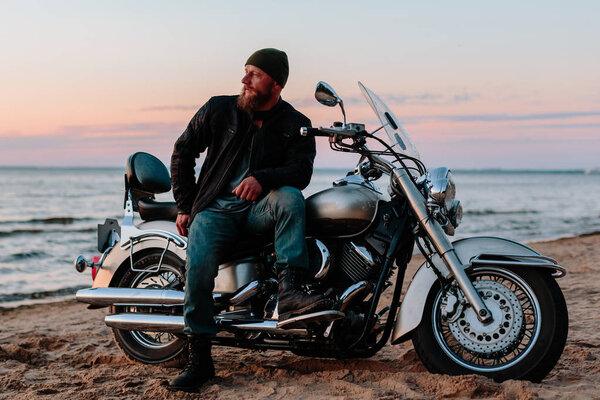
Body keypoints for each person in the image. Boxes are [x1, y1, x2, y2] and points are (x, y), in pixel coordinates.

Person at [168, 48, 331, 392]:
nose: (244, 80)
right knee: (197, 268)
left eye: (254, 74)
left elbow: (300, 172)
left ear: (275, 84)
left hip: (258, 210)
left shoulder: (295, 123)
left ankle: (290, 291)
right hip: (214, 208)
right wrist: (185, 205)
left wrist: (263, 178)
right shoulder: (219, 109)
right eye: (245, 72)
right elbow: (183, 151)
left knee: (291, 198)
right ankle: (200, 357)